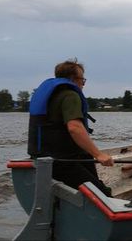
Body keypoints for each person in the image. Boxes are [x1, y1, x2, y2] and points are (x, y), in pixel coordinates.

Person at [27, 58, 113, 196]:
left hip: (43, 159)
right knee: (103, 196)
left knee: (87, 159)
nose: (83, 84)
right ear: (73, 79)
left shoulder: (52, 95)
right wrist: (99, 154)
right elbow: (74, 127)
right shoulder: (70, 95)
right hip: (62, 161)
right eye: (82, 79)